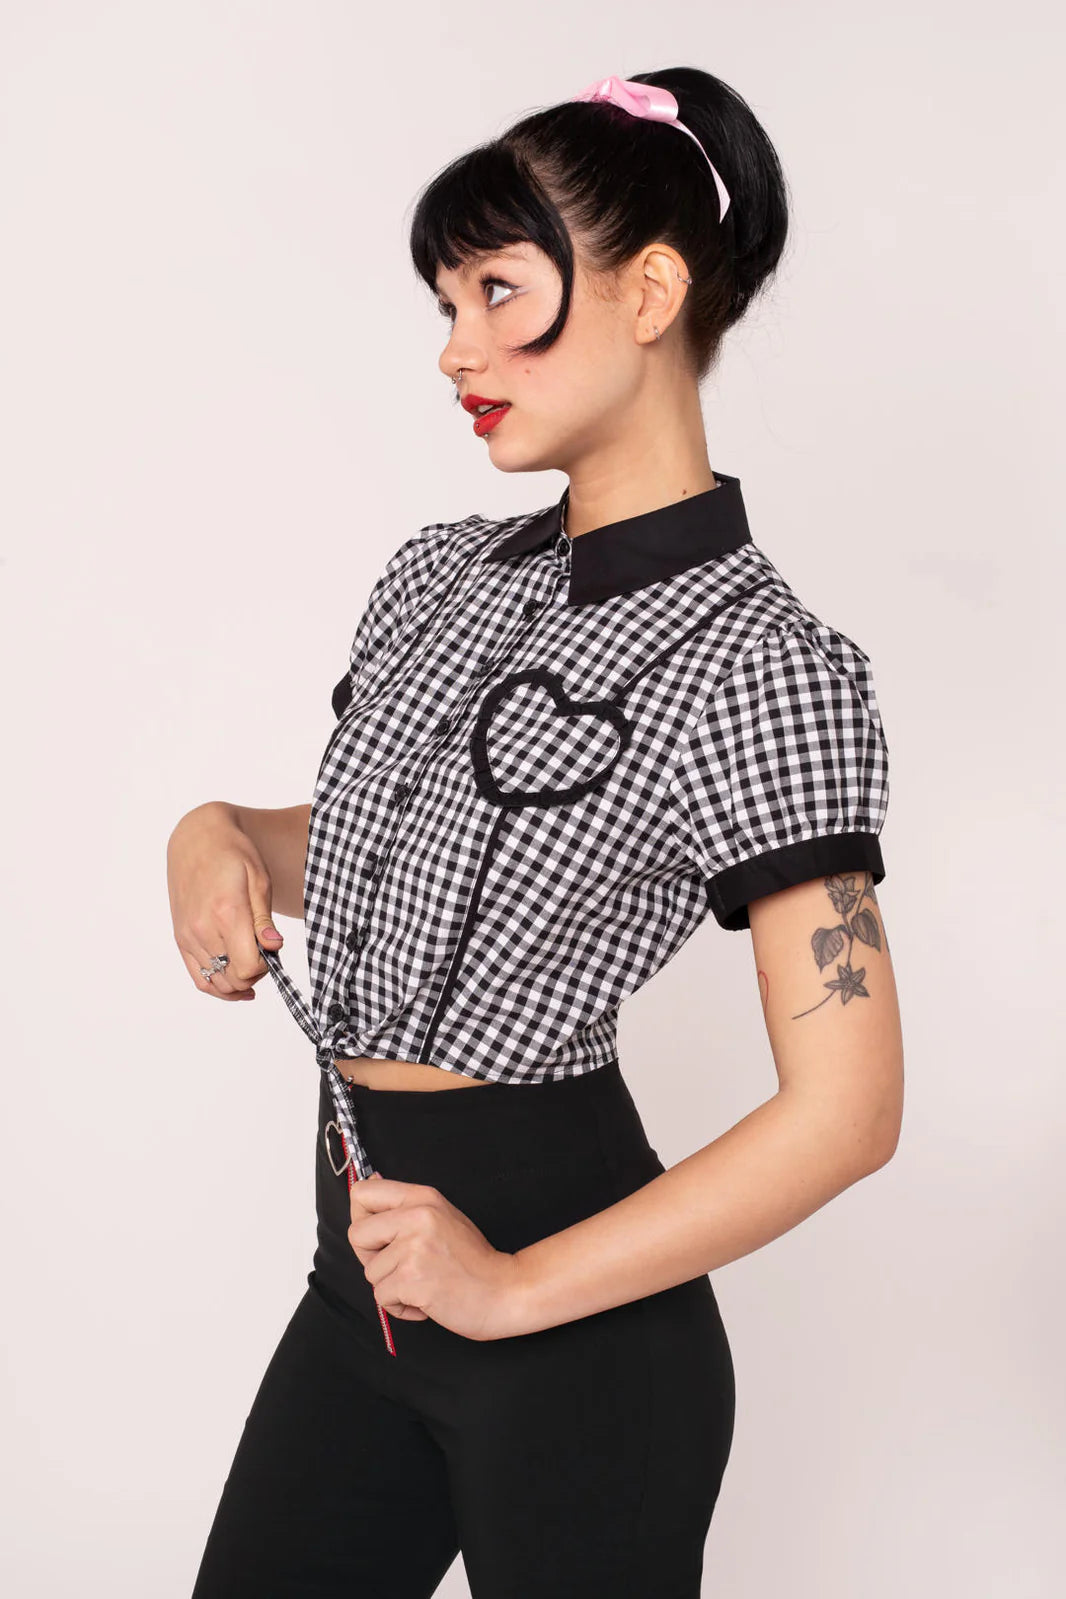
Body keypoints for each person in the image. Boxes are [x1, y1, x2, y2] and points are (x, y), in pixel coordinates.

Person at [173, 67, 904, 1599]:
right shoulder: (438, 576)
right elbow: (384, 846)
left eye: (500, 293)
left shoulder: (757, 667)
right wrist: (221, 830)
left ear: (649, 292)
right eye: (448, 304)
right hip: (360, 1303)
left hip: (579, 1353)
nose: (457, 349)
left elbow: (845, 1112)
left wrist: (507, 1290)